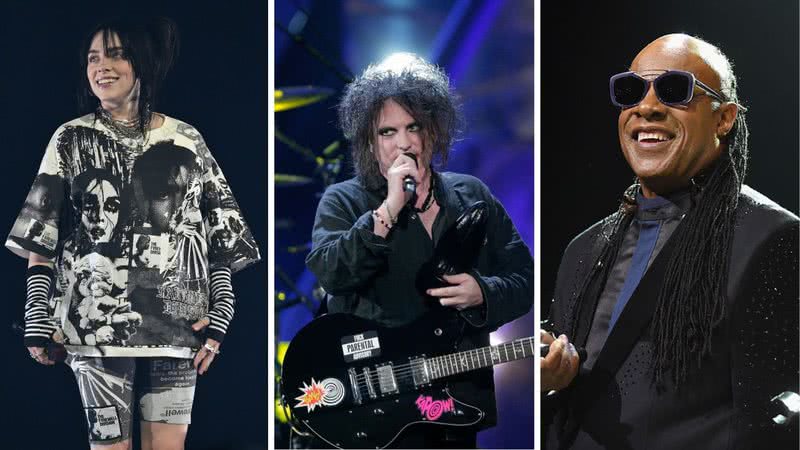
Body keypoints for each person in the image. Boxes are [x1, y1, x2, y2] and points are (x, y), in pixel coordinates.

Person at [7, 16, 260, 450]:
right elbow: (40, 238)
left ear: (141, 62)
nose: (101, 66)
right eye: (92, 58)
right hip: (94, 330)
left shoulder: (186, 139)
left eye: (115, 54)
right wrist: (36, 317)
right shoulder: (70, 139)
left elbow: (222, 236)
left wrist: (220, 316)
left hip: (178, 328)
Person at [541, 34, 799, 449]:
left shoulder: (770, 239)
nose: (647, 107)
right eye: (631, 91)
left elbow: (771, 423)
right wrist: (548, 378)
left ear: (724, 118)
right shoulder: (584, 250)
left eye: (674, 90)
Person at [305, 53, 533, 448]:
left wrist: (484, 292)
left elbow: (525, 281)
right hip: (377, 409)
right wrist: (389, 208)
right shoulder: (343, 201)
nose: (404, 143)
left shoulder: (471, 195)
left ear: (433, 131)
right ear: (369, 143)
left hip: (456, 406)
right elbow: (332, 275)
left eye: (414, 127)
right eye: (387, 132)